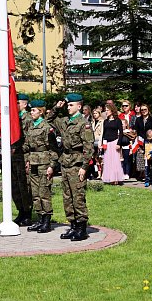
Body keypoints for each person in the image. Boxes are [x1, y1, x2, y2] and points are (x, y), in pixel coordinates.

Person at [47, 93, 94, 241]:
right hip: (66, 162)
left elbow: (89, 147)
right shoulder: (65, 121)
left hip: (77, 163)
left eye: (71, 105)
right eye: (67, 105)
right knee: (67, 197)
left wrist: (84, 167)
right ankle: (73, 226)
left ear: (79, 106)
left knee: (78, 196)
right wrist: (56, 107)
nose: (68, 107)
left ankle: (82, 228)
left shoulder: (83, 123)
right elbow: (49, 119)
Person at [23, 100, 59, 233]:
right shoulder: (31, 126)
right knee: (35, 193)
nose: (31, 112)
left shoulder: (46, 127)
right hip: (33, 162)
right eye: (31, 110)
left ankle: (47, 221)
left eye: (34, 110)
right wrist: (27, 160)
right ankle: (39, 219)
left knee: (44, 192)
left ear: (41, 111)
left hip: (44, 162)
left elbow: (53, 148)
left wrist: (52, 165)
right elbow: (28, 146)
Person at [11, 94, 33, 226]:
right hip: (15, 156)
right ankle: (20, 211)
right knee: (16, 186)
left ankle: (27, 213)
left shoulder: (28, 119)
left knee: (25, 186)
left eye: (18, 103)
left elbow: (30, 139)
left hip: (24, 155)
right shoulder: (14, 118)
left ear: (24, 104)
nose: (16, 105)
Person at [100, 102, 124, 185]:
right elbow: (104, 133)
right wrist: (102, 143)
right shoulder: (105, 121)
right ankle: (109, 178)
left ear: (112, 111)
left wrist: (118, 143)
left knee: (115, 161)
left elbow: (121, 133)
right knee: (107, 161)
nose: (106, 112)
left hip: (114, 142)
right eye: (105, 110)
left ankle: (116, 178)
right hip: (107, 143)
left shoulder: (117, 121)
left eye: (107, 110)